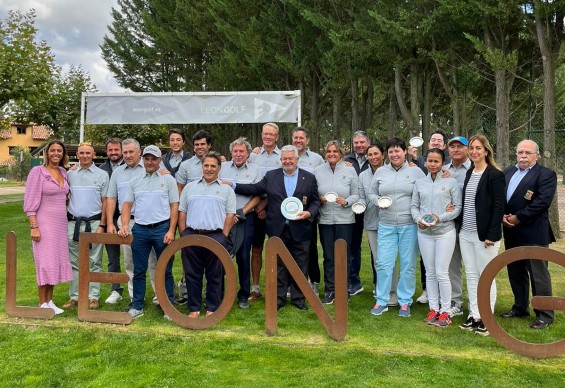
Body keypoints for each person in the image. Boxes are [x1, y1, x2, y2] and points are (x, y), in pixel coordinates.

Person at [235, 145, 320, 310]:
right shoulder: (271, 176)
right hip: (277, 229)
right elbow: (254, 189)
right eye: (284, 159)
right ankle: (278, 299)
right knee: (278, 265)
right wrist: (231, 185)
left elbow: (315, 201)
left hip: (300, 227)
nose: (287, 161)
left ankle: (299, 299)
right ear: (280, 160)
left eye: (291, 158)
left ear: (297, 160)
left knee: (300, 265)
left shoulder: (309, 177)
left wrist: (309, 213)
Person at [501, 140, 557, 330]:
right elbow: (501, 197)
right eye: (520, 152)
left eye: (528, 152)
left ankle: (545, 314)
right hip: (511, 231)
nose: (523, 155)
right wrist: (502, 215)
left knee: (538, 275)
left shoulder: (546, 175)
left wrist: (518, 218)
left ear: (537, 156)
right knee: (515, 273)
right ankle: (520, 307)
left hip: (533, 233)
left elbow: (542, 203)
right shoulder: (508, 172)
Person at [118, 145, 178, 319]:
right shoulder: (135, 180)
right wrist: (124, 225)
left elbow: (175, 206)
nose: (150, 162)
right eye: (147, 158)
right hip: (140, 230)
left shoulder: (168, 180)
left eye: (153, 159)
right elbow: (127, 205)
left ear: (160, 160)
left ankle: (168, 306)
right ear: (143, 159)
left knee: (165, 269)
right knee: (139, 270)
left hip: (162, 229)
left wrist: (171, 230)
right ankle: (137, 306)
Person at [368, 137, 425, 317]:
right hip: (386, 225)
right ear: (387, 154)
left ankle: (405, 301)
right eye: (391, 151)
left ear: (405, 152)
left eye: (397, 151)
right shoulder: (381, 172)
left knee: (407, 264)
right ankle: (382, 300)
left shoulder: (416, 172)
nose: (394, 154)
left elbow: (425, 191)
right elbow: (371, 193)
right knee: (384, 263)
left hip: (409, 225)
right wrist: (378, 201)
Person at [458, 134, 505, 336]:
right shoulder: (470, 172)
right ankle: (474, 315)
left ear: (486, 150)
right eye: (472, 148)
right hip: (466, 233)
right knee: (471, 275)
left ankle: (487, 317)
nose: (474, 152)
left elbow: (498, 206)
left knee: (486, 276)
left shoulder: (495, 174)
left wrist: (492, 234)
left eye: (478, 148)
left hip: (485, 235)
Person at [179, 152, 236, 318]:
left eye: (213, 166)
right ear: (202, 167)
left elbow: (230, 216)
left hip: (216, 236)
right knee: (192, 273)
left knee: (215, 274)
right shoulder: (190, 188)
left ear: (219, 168)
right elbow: (182, 212)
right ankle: (194, 308)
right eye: (206, 165)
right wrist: (183, 234)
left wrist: (223, 236)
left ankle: (212, 307)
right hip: (191, 235)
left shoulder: (226, 190)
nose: (209, 169)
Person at [411, 148, 462, 327]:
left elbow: (457, 208)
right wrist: (419, 220)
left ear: (442, 163)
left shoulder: (451, 182)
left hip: (444, 232)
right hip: (424, 233)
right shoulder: (419, 183)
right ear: (425, 162)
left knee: (441, 272)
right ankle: (433, 308)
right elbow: (414, 206)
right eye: (430, 161)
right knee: (430, 272)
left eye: (436, 161)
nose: (433, 164)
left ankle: (446, 311)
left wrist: (441, 218)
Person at [106, 139, 158, 310]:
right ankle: (135, 297)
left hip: (150, 220)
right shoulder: (118, 173)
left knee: (154, 260)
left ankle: (160, 296)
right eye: (125, 152)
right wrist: (110, 223)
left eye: (131, 152)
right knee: (130, 262)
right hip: (126, 221)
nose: (127, 155)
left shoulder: (152, 168)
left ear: (139, 152)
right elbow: (111, 198)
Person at [23, 140, 73, 314]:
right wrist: (34, 226)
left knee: (54, 262)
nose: (56, 154)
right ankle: (42, 302)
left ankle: (50, 301)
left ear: (63, 154)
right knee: (44, 262)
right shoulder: (37, 172)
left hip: (60, 224)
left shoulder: (63, 172)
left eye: (59, 151)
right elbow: (30, 202)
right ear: (47, 153)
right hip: (44, 224)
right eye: (53, 150)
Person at [63, 142, 109, 310]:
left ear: (93, 154)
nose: (84, 156)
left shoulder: (102, 175)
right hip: (73, 223)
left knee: (95, 261)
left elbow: (106, 202)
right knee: (74, 261)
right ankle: (75, 296)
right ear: (77, 154)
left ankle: (93, 296)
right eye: (81, 153)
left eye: (87, 153)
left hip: (95, 222)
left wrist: (102, 225)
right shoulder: (70, 174)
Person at [407, 129, 450, 305]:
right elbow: (415, 201)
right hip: (425, 227)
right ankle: (428, 293)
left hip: (445, 227)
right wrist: (419, 220)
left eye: (440, 140)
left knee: (444, 268)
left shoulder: (449, 170)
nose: (436, 142)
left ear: (444, 145)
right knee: (428, 265)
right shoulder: (420, 165)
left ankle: (448, 300)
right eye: (433, 140)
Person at [314, 141, 359, 304]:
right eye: (328, 151)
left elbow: (357, 195)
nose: (331, 154)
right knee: (329, 256)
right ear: (325, 153)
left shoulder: (349, 170)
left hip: (345, 220)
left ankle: (343, 289)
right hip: (325, 219)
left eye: (335, 151)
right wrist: (319, 199)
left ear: (340, 153)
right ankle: (330, 289)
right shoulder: (318, 171)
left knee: (343, 256)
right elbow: (313, 194)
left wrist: (346, 201)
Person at [219, 138, 261, 310]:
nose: (238, 154)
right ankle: (219, 294)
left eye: (241, 151)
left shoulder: (255, 170)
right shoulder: (221, 168)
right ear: (231, 152)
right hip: (223, 218)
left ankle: (243, 295)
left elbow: (258, 194)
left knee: (243, 257)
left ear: (248, 153)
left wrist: (241, 212)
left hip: (245, 218)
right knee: (221, 256)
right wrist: (228, 215)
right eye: (235, 151)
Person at [175, 129, 214, 304]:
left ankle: (208, 294)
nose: (199, 147)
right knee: (189, 257)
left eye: (202, 144)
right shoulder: (186, 165)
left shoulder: (218, 162)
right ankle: (185, 292)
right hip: (190, 218)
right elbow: (180, 189)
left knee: (210, 257)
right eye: (197, 145)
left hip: (211, 219)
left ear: (209, 145)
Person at [359, 144, 399, 306]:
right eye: (370, 154)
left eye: (376, 154)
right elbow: (362, 196)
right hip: (372, 221)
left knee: (391, 259)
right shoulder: (362, 176)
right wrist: (359, 205)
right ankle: (382, 290)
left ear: (383, 155)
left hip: (391, 220)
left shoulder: (391, 172)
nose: (373, 157)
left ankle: (393, 292)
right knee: (378, 259)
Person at [247, 123, 282, 301]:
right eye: (265, 134)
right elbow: (250, 181)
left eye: (272, 134)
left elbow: (281, 184)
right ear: (262, 136)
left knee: (278, 248)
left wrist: (265, 203)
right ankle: (255, 288)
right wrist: (258, 205)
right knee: (257, 248)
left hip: (276, 208)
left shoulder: (283, 156)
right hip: (255, 208)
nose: (268, 137)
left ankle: (278, 287)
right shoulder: (253, 156)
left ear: (277, 137)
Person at [292, 127, 324, 295]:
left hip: (308, 212)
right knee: (290, 248)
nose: (298, 140)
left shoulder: (317, 159)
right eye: (295, 137)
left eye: (301, 138)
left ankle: (313, 281)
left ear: (307, 140)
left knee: (310, 248)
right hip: (288, 212)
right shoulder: (287, 154)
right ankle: (293, 283)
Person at [443, 136, 472, 317]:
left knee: (472, 266)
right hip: (450, 223)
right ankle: (456, 301)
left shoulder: (475, 168)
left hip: (470, 222)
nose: (456, 150)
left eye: (460, 146)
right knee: (452, 265)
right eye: (452, 147)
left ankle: (477, 304)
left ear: (467, 149)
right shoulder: (442, 169)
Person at [343, 130, 370, 296]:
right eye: (356, 143)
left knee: (378, 248)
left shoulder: (376, 157)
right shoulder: (346, 160)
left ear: (368, 142)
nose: (359, 145)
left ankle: (379, 283)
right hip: (353, 210)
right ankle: (353, 280)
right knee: (353, 246)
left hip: (373, 209)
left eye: (362, 142)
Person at [98, 138, 125, 305]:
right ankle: (116, 290)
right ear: (106, 151)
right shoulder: (101, 169)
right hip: (110, 218)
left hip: (130, 217)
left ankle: (135, 289)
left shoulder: (131, 166)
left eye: (117, 149)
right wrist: (108, 222)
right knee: (113, 257)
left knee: (134, 257)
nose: (114, 153)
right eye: (110, 150)